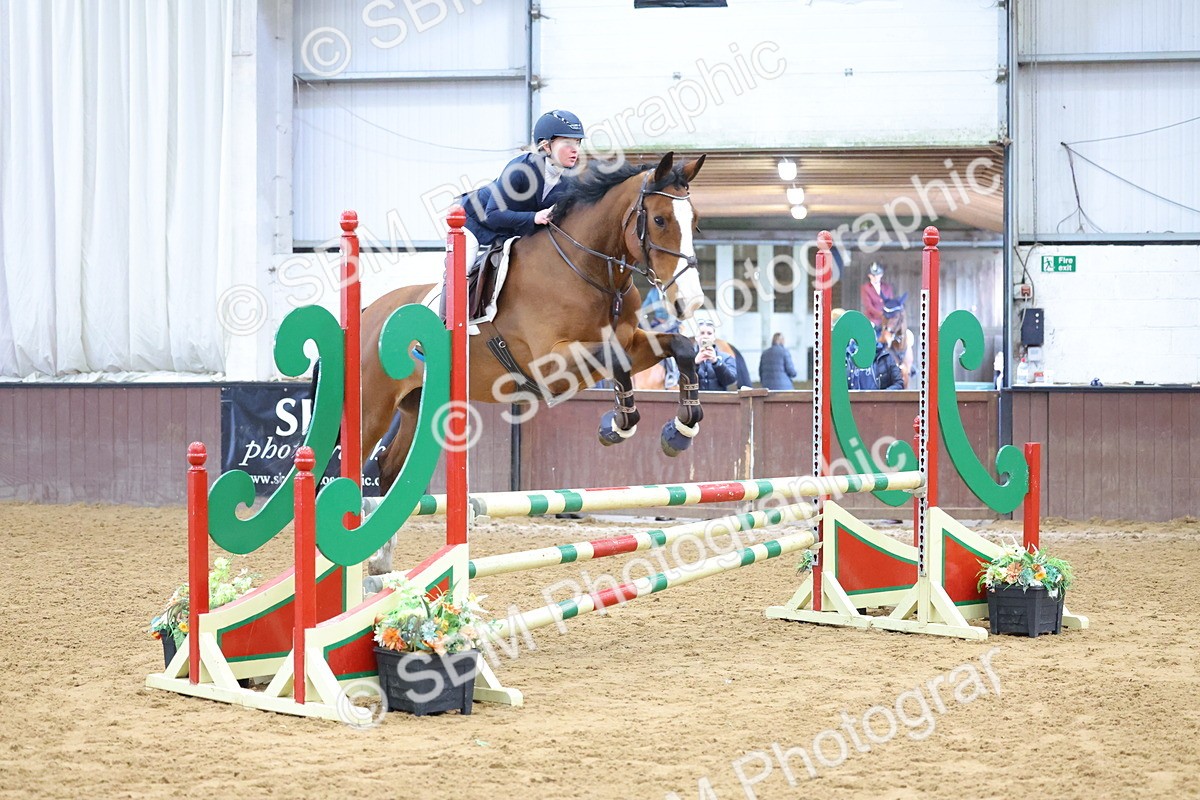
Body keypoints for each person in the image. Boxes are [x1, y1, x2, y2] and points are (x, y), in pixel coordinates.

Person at [460, 110, 585, 267]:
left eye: (577, 142)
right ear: (546, 146)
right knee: (461, 274)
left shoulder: (570, 181)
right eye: (568, 143)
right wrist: (534, 217)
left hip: (509, 232)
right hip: (471, 222)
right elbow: (493, 214)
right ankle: (444, 291)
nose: (575, 150)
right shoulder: (519, 169)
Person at [694, 318, 736, 391]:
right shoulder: (688, 358)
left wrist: (716, 362)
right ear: (696, 337)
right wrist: (695, 364)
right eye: (702, 333)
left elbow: (730, 381)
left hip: (718, 400)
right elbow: (681, 382)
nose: (705, 336)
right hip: (696, 401)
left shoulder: (726, 357)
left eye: (709, 333)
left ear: (714, 337)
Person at [859, 262, 895, 328]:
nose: (875, 277)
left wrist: (888, 315)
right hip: (872, 319)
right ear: (869, 275)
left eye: (877, 275)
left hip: (887, 319)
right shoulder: (865, 288)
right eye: (873, 275)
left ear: (881, 274)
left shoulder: (888, 287)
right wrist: (881, 315)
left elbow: (891, 303)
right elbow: (869, 306)